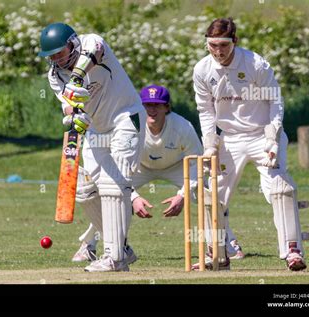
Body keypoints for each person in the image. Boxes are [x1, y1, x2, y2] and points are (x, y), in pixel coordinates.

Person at [72, 85, 244, 267]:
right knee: (111, 197)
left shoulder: (182, 126)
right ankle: (91, 244)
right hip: (138, 167)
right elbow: (118, 164)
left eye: (157, 105)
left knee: (206, 193)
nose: (152, 110)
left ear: (166, 107)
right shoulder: (131, 126)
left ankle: (222, 246)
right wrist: (133, 198)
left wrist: (182, 195)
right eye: (147, 105)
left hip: (176, 166)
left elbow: (197, 163)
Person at [192, 17, 306, 271]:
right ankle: (217, 253)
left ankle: (292, 250)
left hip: (261, 135)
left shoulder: (255, 64)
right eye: (212, 45)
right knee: (213, 194)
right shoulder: (202, 69)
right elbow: (205, 110)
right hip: (230, 139)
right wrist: (210, 144)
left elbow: (275, 102)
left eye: (223, 45)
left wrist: (272, 139)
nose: (218, 52)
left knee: (280, 189)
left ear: (235, 41)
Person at [38, 23, 146, 272]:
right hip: (96, 130)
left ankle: (115, 256)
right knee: (84, 190)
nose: (56, 59)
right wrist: (74, 116)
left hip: (125, 118)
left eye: (59, 52)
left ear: (72, 43)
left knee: (115, 186)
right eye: (51, 55)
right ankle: (122, 247)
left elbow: (94, 53)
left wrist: (77, 77)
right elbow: (68, 106)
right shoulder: (55, 76)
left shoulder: (91, 42)